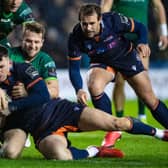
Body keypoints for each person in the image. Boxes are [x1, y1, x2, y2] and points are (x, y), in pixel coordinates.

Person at [0, 45, 167, 160]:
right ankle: (95, 151)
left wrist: (13, 106)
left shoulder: (23, 69)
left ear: (8, 62)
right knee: (61, 156)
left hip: (60, 111)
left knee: (117, 123)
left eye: (1, 66)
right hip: (40, 129)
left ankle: (160, 133)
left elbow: (43, 95)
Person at [67, 3, 168, 149]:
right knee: (93, 85)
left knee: (150, 100)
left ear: (100, 19)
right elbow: (74, 69)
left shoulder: (113, 20)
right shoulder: (75, 37)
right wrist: (78, 89)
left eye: (92, 23)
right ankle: (113, 129)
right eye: (84, 24)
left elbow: (140, 28)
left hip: (126, 57)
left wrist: (142, 43)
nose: (88, 28)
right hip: (102, 63)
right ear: (79, 22)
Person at [100, 0, 168, 123]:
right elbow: (105, 7)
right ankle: (119, 118)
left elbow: (158, 6)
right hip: (120, 37)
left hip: (140, 36)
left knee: (143, 77)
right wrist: (102, 31)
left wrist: (164, 32)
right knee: (120, 80)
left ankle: (142, 116)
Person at [0, 21, 59, 156]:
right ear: (21, 39)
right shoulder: (8, 54)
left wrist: (29, 93)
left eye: (36, 42)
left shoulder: (45, 60)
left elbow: (54, 91)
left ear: (42, 42)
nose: (32, 46)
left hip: (31, 110)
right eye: (28, 41)